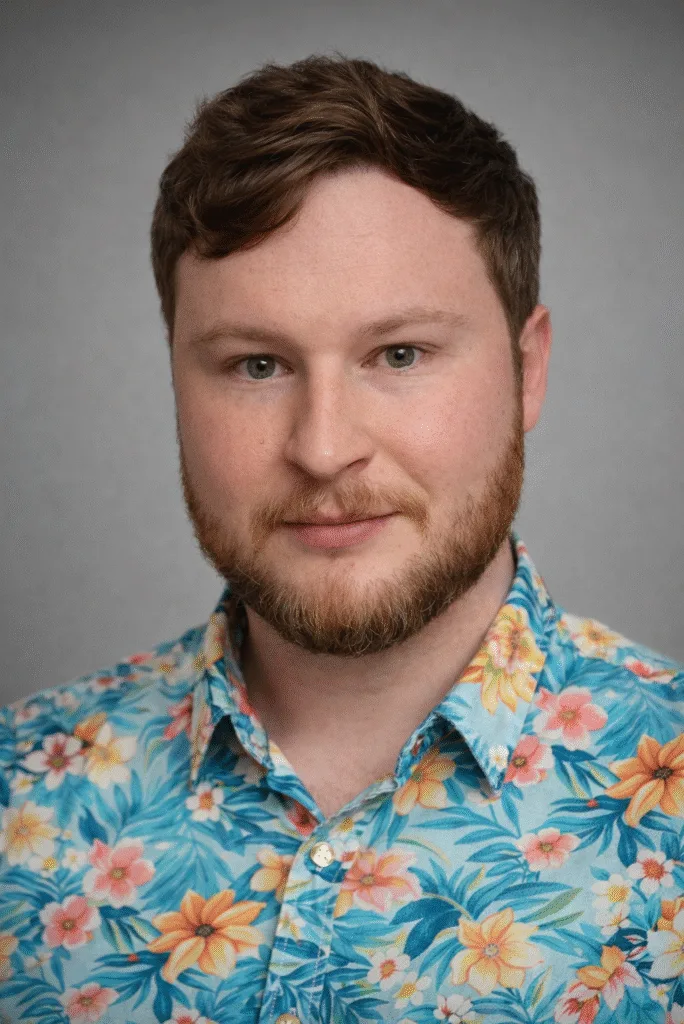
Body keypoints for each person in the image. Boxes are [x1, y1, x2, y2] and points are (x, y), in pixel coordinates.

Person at [1, 54, 682, 1024]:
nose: (322, 449)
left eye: (399, 354)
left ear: (527, 370)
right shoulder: (17, 799)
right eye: (257, 365)